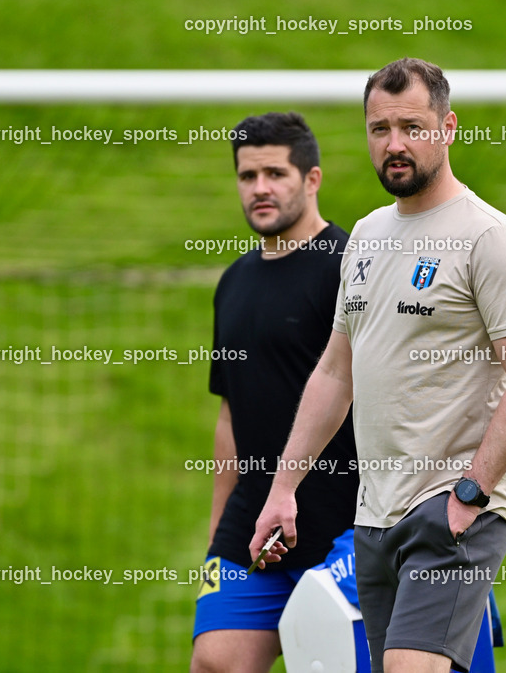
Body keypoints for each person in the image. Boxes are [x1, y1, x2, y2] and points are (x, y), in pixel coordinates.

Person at [249, 57, 506, 673]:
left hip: (452, 509)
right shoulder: (364, 236)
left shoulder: (489, 240)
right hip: (375, 515)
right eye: (380, 129)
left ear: (448, 127)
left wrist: (470, 496)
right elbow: (337, 373)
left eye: (413, 127)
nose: (395, 145)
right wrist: (284, 488)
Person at [190, 111, 359, 673]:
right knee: (215, 661)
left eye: (275, 173)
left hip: (345, 521)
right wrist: (218, 534)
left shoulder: (349, 268)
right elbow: (229, 418)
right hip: (252, 521)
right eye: (247, 176)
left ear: (311, 179)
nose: (259, 188)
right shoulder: (233, 282)